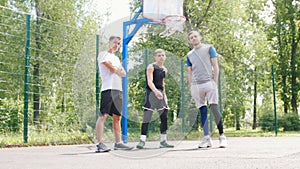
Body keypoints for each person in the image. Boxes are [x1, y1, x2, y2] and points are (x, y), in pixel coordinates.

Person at [186, 31, 227, 148]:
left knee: (214, 108)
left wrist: (215, 81)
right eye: (191, 37)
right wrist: (191, 86)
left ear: (200, 37)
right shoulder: (189, 55)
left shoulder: (209, 48)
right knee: (202, 111)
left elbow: (215, 65)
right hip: (197, 85)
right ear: (189, 41)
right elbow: (189, 71)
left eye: (195, 36)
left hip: (209, 83)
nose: (193, 38)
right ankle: (206, 138)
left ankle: (222, 136)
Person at [95, 36, 133, 152]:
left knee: (117, 117)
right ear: (109, 42)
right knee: (103, 115)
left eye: (118, 44)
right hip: (108, 89)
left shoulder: (116, 58)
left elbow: (124, 73)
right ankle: (99, 143)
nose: (116, 45)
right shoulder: (103, 54)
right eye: (115, 43)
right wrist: (116, 70)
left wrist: (116, 70)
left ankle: (118, 143)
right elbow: (109, 67)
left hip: (118, 90)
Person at [136, 49, 174, 149]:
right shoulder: (151, 67)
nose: (161, 57)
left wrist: (164, 96)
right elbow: (150, 82)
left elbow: (162, 84)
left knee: (164, 118)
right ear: (155, 57)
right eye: (159, 55)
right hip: (151, 94)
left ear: (165, 57)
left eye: (163, 55)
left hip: (161, 95)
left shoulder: (165, 69)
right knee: (147, 118)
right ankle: (142, 141)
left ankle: (163, 141)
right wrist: (156, 92)